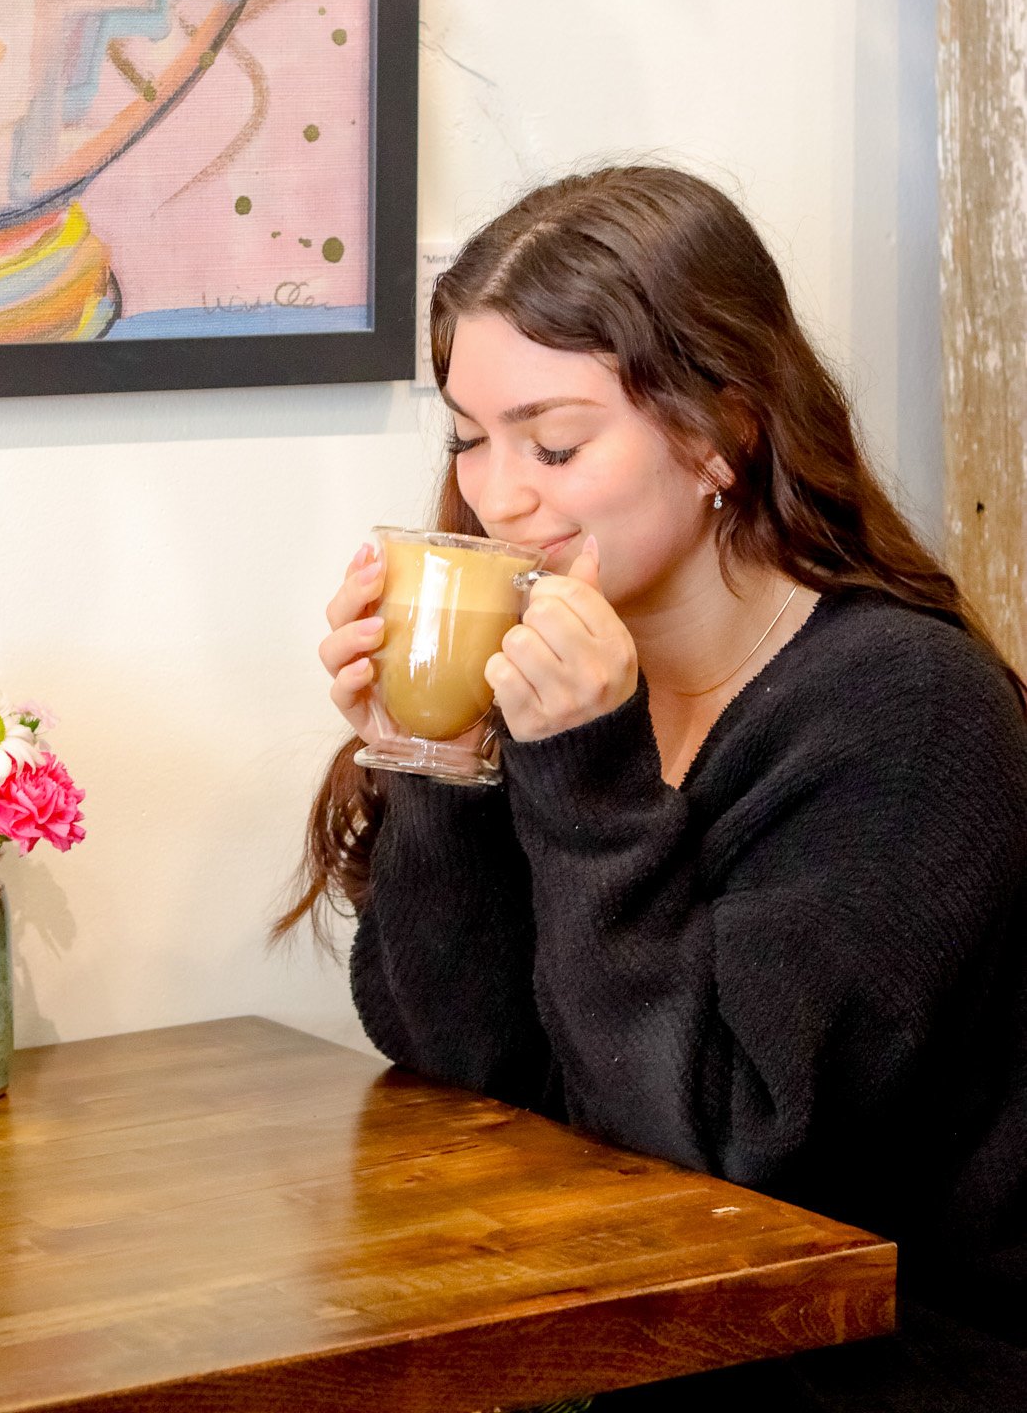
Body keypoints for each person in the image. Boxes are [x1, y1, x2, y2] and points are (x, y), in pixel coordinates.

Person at [277, 163, 1027, 1412]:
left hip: (880, 1369)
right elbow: (464, 1060)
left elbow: (733, 1145)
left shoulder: (913, 715)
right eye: (469, 434)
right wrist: (437, 754)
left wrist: (590, 783)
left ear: (722, 425)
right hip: (626, 1353)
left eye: (555, 441)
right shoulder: (553, 666)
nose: (495, 493)